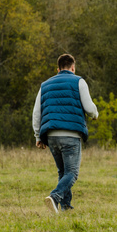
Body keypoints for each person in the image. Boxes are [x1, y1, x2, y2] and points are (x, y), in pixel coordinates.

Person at [32, 54, 98, 213]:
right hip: (71, 135)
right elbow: (89, 108)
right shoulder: (79, 81)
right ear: (73, 68)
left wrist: (38, 136)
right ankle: (54, 197)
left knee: (63, 173)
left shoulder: (44, 85)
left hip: (51, 136)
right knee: (72, 174)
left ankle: (66, 207)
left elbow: (36, 112)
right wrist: (95, 114)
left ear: (58, 69)